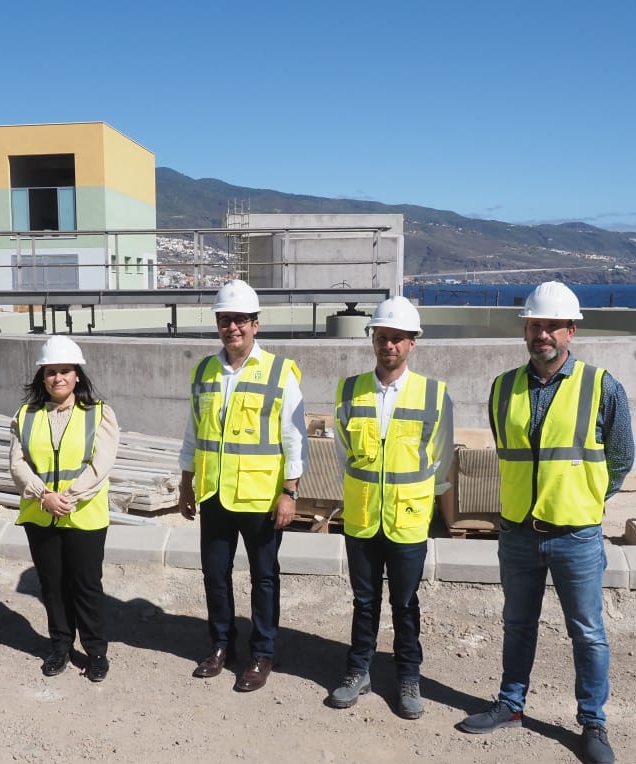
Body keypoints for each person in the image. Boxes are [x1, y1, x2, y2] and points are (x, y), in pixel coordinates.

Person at [456, 281, 634, 764]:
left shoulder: (602, 386)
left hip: (575, 534)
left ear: (571, 331)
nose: (543, 334)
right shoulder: (503, 387)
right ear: (526, 331)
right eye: (535, 325)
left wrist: (587, 498)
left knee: (588, 633)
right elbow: (509, 451)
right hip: (517, 532)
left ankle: (592, 723)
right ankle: (511, 705)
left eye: (552, 325)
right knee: (517, 624)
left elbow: (621, 457)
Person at [178, 279, 307, 693]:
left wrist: (289, 492)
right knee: (215, 575)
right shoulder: (204, 371)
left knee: (264, 577)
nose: (231, 327)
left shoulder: (279, 372)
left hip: (260, 496)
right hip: (215, 492)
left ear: (255, 324)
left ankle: (262, 652)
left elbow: (294, 436)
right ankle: (220, 646)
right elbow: (193, 432)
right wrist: (186, 482)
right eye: (224, 320)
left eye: (239, 320)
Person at [327, 296, 453, 720]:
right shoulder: (349, 390)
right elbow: (345, 452)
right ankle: (358, 670)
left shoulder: (433, 395)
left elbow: (441, 461)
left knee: (405, 603)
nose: (389, 345)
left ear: (412, 343)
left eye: (398, 338)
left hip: (408, 520)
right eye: (383, 337)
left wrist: (421, 505)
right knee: (364, 601)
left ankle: (408, 677)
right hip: (362, 516)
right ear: (373, 340)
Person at [9, 335, 120, 682]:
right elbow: (17, 462)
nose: (58, 378)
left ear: (77, 376)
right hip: (41, 514)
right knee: (53, 585)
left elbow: (101, 464)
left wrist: (68, 496)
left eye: (65, 371)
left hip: (83, 514)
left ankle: (96, 651)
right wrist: (43, 495)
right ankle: (59, 644)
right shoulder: (25, 415)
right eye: (51, 372)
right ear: (43, 377)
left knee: (86, 584)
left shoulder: (98, 413)